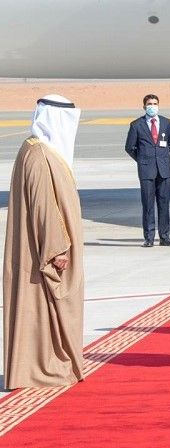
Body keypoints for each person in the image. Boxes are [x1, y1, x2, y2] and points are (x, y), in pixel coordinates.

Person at [3, 95, 84, 389]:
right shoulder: (39, 156)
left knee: (37, 306)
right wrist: (57, 248)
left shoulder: (37, 150)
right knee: (44, 303)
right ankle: (45, 366)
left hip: (41, 245)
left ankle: (39, 364)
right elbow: (44, 207)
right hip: (46, 249)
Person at [125, 94, 170, 247]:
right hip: (147, 170)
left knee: (164, 204)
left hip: (164, 170)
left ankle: (165, 236)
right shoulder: (136, 125)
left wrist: (160, 157)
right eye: (149, 104)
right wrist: (142, 159)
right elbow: (129, 147)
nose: (152, 106)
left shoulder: (166, 123)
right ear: (144, 107)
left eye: (155, 103)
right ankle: (149, 238)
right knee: (148, 205)